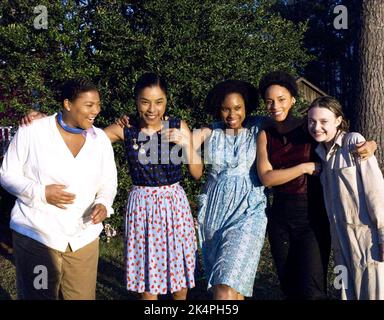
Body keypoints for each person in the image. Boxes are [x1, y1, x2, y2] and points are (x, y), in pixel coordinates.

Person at [21, 73, 202, 300]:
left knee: (180, 286)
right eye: (145, 101)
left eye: (159, 102)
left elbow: (197, 173)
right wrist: (46, 120)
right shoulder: (125, 129)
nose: (152, 109)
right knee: (148, 282)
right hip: (142, 207)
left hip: (174, 207)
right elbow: (80, 131)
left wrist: (186, 143)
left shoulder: (178, 126)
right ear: (136, 101)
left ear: (167, 101)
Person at [256, 71, 377, 299]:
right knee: (289, 286)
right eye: (269, 101)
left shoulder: (309, 128)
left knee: (312, 289)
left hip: (312, 216)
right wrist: (305, 167)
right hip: (280, 216)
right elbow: (267, 178)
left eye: (281, 99)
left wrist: (371, 144)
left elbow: (341, 138)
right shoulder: (265, 134)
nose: (275, 106)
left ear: (292, 99)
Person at [0, 78, 118, 299]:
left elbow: (109, 181)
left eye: (98, 104)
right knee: (40, 295)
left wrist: (103, 203)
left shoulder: (99, 139)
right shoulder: (33, 131)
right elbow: (6, 174)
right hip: (38, 236)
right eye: (89, 105)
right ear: (68, 104)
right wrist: (40, 192)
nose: (96, 111)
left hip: (83, 237)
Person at [193, 80, 268, 300]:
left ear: (246, 108)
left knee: (224, 285)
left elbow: (295, 125)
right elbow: (184, 141)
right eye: (226, 108)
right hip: (214, 215)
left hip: (248, 212)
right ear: (219, 109)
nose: (232, 114)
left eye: (237, 108)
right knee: (233, 287)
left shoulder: (258, 126)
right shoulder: (210, 131)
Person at [307, 96, 384, 300]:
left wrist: (383, 233)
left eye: (324, 121)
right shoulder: (319, 152)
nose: (316, 127)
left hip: (367, 239)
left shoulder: (354, 142)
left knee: (373, 294)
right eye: (312, 121)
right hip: (339, 242)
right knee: (344, 293)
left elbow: (375, 191)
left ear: (338, 121)